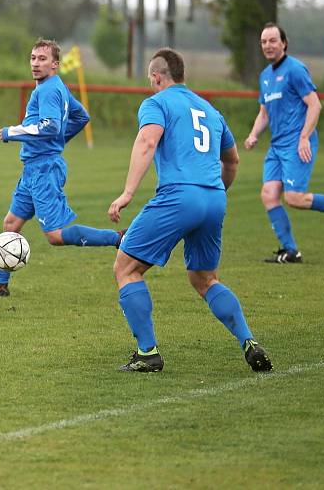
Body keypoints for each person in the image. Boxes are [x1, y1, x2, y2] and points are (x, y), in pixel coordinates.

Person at [107, 48, 272, 373]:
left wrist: (128, 193)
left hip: (178, 196)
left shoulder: (156, 103)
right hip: (213, 197)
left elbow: (146, 142)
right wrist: (214, 193)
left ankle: (147, 353)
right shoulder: (210, 110)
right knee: (204, 278)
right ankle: (248, 341)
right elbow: (232, 161)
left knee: (126, 268)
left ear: (156, 77)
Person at [0, 39, 123, 297]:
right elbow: (81, 116)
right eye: (32, 58)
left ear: (55, 64)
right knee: (10, 224)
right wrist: (58, 141)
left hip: (44, 170)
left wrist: (13, 132)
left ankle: (118, 238)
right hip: (33, 168)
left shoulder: (48, 90)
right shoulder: (54, 87)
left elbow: (51, 125)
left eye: (42, 59)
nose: (35, 63)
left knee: (55, 235)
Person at [244, 22, 324, 263]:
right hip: (277, 146)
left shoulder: (296, 69)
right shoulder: (265, 76)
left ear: (284, 43)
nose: (268, 45)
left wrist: (303, 138)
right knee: (269, 195)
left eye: (272, 41)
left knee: (294, 198)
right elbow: (264, 113)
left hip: (297, 144)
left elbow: (315, 104)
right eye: (264, 42)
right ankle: (290, 251)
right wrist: (254, 134)